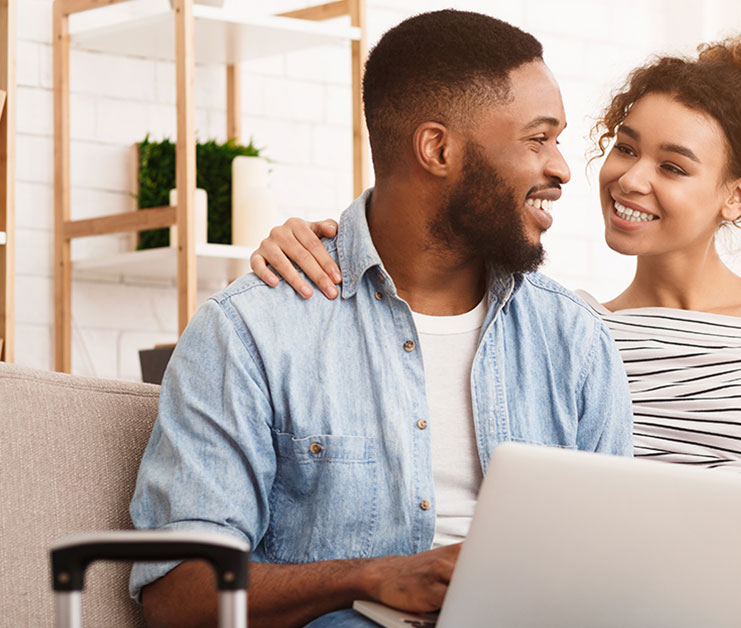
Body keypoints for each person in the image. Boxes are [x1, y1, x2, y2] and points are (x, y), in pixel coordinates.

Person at [255, 28, 741, 628]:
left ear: (736, 196)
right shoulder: (561, 332)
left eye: (673, 165)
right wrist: (310, 242)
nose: (630, 179)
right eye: (626, 148)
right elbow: (423, 247)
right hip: (706, 606)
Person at [129, 10, 633, 628]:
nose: (559, 168)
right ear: (437, 148)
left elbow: (609, 569)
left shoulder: (574, 337)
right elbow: (176, 598)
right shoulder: (253, 331)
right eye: (538, 139)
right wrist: (371, 577)